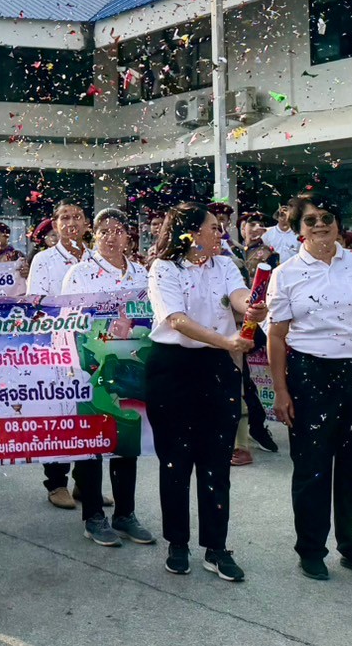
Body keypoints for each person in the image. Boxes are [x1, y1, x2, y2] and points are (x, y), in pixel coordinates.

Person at [266, 195, 352, 582]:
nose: (320, 225)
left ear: (338, 223)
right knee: (311, 469)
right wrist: (281, 390)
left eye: (326, 217)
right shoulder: (286, 273)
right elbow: (276, 337)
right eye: (310, 221)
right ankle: (311, 551)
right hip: (311, 375)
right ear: (299, 230)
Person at [145, 202, 265, 582]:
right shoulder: (164, 268)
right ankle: (177, 543)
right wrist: (226, 341)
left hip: (217, 369)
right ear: (191, 232)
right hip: (173, 369)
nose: (220, 232)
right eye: (213, 227)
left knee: (216, 460)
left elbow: (238, 295)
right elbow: (177, 320)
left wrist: (252, 308)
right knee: (175, 461)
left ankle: (216, 547)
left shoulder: (224, 264)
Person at [60, 207, 154, 548]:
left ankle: (125, 514)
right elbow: (67, 321)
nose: (111, 237)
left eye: (118, 230)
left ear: (128, 236)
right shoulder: (80, 273)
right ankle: (93, 516)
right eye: (104, 231)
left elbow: (150, 317)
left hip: (130, 366)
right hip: (92, 366)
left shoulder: (140, 272)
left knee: (127, 438)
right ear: (94, 235)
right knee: (92, 440)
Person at [27, 199, 90, 509]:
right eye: (64, 218)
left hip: (91, 345)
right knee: (59, 413)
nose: (71, 223)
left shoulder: (96, 258)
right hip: (57, 345)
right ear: (55, 225)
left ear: (87, 223)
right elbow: (36, 304)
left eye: (77, 216)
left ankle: (85, 482)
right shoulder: (44, 260)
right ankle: (56, 482)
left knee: (88, 412)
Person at [230, 212, 280, 465]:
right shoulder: (230, 251)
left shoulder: (268, 254)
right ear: (241, 228)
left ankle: (255, 429)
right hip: (219, 326)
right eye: (251, 223)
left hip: (249, 321)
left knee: (245, 382)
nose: (256, 228)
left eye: (261, 224)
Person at [0, 220, 28, 296]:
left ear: (7, 237)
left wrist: (25, 272)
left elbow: (26, 275)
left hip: (13, 297)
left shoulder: (16, 255)